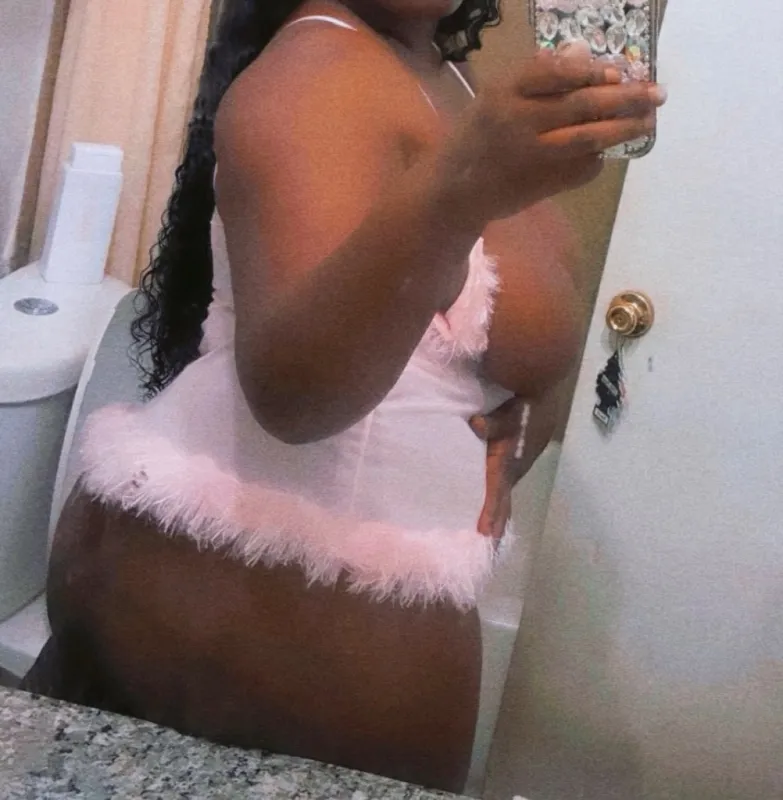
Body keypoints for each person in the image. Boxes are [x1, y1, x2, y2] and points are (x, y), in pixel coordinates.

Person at [22, 0, 665, 791]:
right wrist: (460, 189)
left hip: (337, 671)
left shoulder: (446, 76)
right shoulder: (316, 69)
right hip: (218, 648)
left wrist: (513, 430)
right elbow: (294, 399)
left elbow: (506, 358)